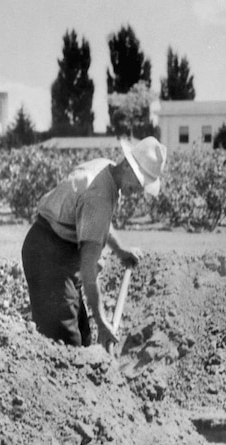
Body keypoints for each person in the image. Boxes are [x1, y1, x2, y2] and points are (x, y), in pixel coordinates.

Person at [21, 136, 167, 349]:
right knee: (65, 345)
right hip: (47, 256)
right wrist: (102, 322)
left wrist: (119, 249)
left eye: (142, 186)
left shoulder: (106, 168)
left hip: (60, 248)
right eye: (137, 181)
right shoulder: (99, 195)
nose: (137, 191)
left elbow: (95, 221)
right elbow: (89, 269)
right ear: (127, 165)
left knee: (82, 338)